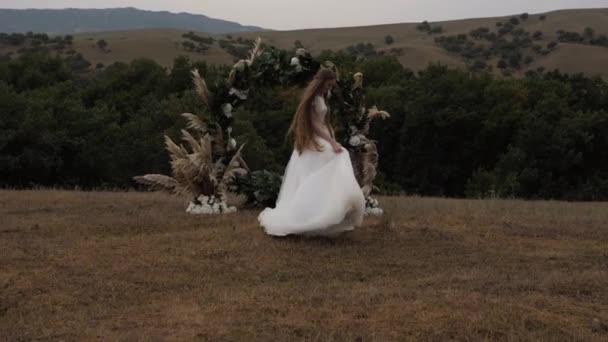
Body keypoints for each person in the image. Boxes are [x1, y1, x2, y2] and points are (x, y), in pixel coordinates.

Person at [258, 68, 365, 237]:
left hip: (323, 136)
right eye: (328, 85)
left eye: (331, 86)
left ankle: (331, 209)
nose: (329, 88)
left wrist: (332, 136)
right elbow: (315, 125)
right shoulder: (314, 99)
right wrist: (331, 141)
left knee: (333, 163)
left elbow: (323, 122)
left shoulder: (322, 96)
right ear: (321, 82)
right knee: (336, 159)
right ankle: (318, 212)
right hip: (316, 139)